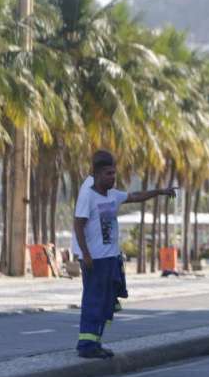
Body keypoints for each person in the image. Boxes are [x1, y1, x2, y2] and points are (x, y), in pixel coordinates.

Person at [72, 150, 175, 359]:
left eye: (114, 173)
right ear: (98, 175)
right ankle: (86, 346)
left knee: (106, 302)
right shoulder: (88, 196)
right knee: (93, 300)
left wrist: (160, 191)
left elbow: (136, 196)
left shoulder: (112, 195)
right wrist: (86, 254)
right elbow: (78, 225)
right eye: (109, 174)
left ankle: (95, 343)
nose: (113, 177)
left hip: (111, 259)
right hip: (95, 260)